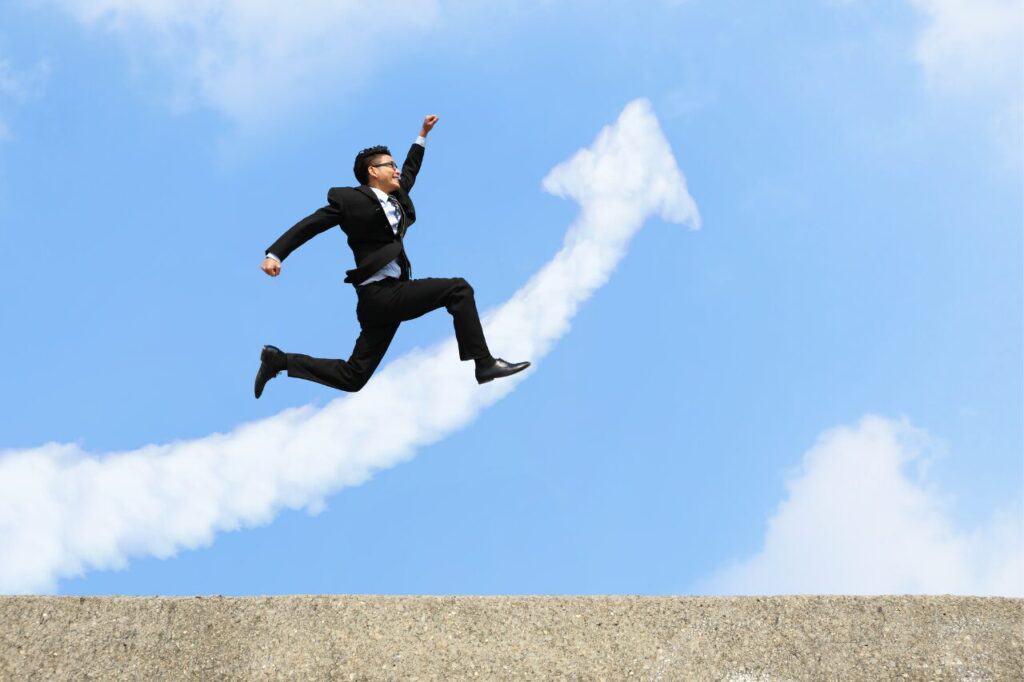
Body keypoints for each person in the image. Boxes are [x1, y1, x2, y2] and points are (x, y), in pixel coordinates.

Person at [254, 114, 530, 398]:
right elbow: (310, 225)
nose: (397, 170)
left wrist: (422, 135)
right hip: (380, 295)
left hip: (383, 300)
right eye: (390, 165)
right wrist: (276, 254)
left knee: (354, 377)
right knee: (458, 289)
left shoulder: (397, 197)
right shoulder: (350, 201)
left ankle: (280, 361)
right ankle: (484, 363)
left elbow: (411, 170)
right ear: (373, 171)